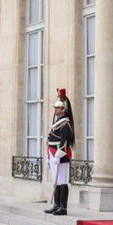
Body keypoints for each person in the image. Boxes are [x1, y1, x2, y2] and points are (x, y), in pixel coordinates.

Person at [45, 88, 75, 216]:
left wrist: (57, 156)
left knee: (62, 180)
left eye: (58, 108)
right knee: (56, 180)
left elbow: (64, 142)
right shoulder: (58, 122)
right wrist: (49, 156)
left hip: (60, 154)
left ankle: (63, 207)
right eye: (55, 108)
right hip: (52, 152)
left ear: (64, 110)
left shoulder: (66, 124)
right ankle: (56, 205)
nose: (55, 110)